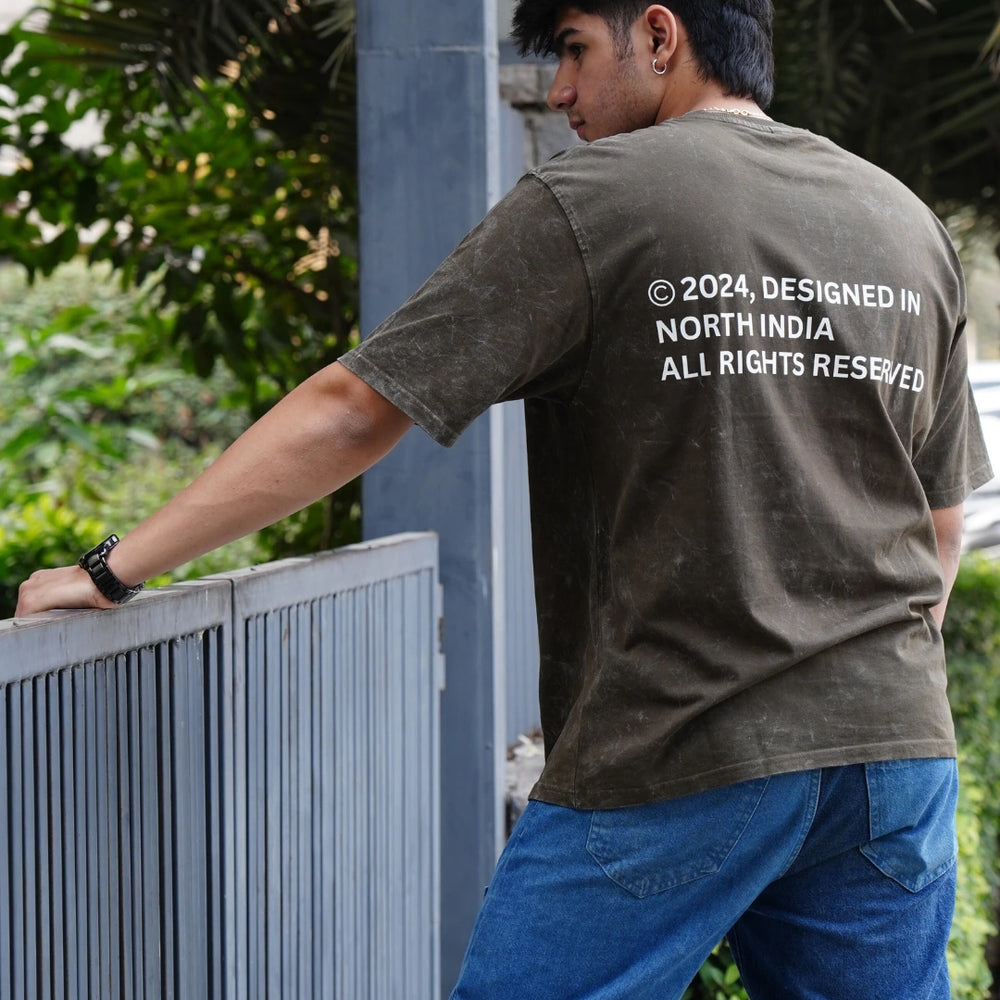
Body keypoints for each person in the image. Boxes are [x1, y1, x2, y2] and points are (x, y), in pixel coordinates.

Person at [16, 1, 993, 997]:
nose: (558, 91)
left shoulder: (599, 196)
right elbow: (944, 514)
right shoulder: (899, 219)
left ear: (659, 35)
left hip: (682, 737)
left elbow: (357, 409)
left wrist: (109, 568)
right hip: (893, 754)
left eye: (572, 49)